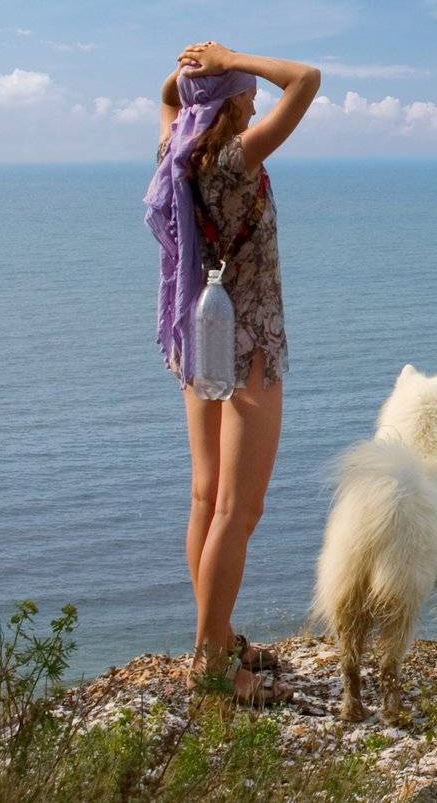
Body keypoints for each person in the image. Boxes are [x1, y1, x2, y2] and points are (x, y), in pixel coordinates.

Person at [143, 41, 320, 703]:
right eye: (246, 90)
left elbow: (167, 97)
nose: (254, 97)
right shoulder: (237, 157)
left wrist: (192, 72)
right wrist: (228, 55)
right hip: (250, 351)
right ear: (237, 99)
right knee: (238, 509)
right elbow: (306, 79)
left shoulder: (176, 155)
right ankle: (212, 663)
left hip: (201, 338)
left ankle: (215, 639)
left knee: (204, 496)